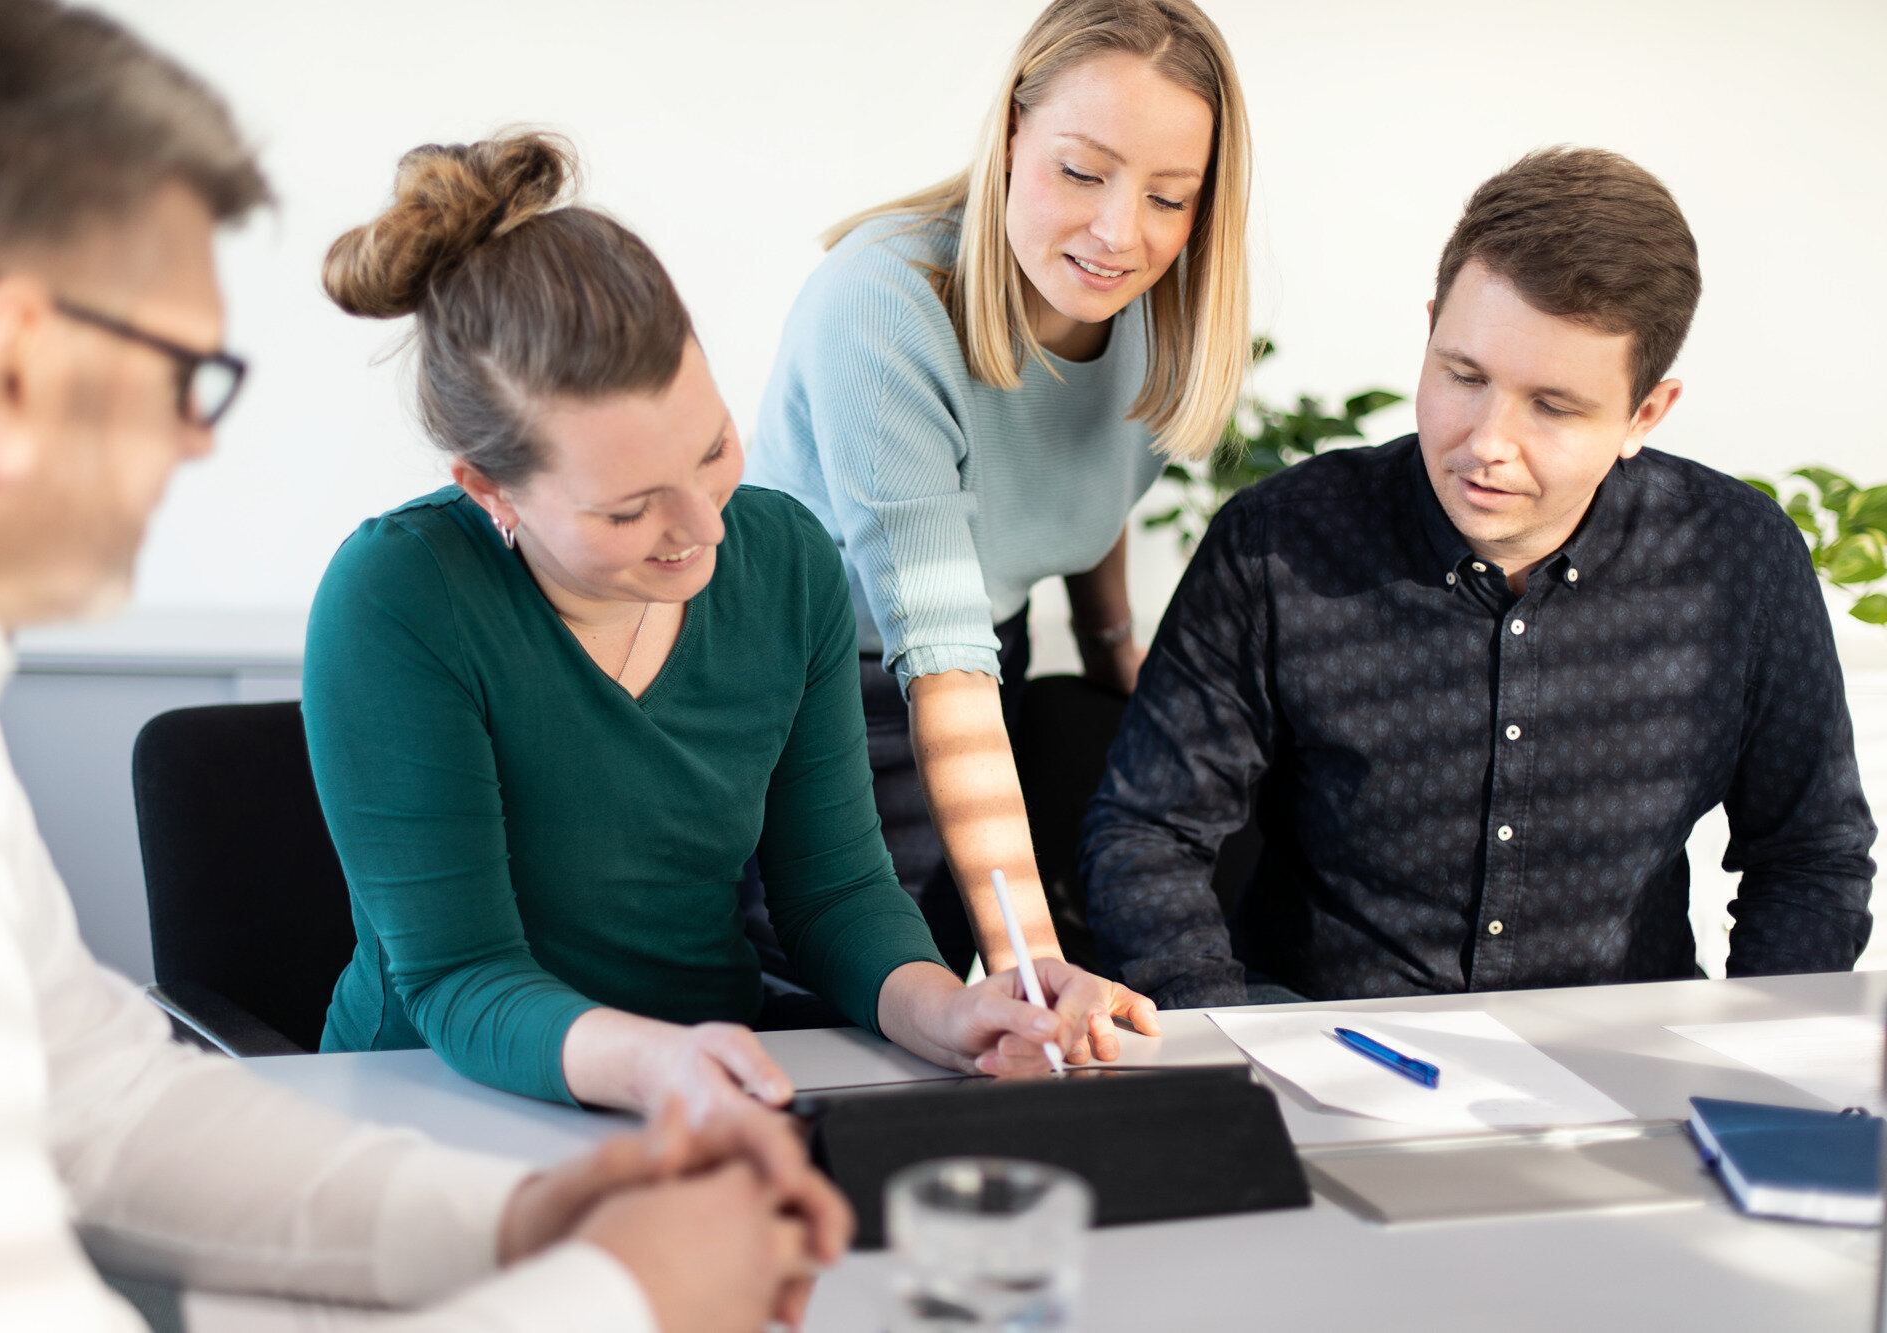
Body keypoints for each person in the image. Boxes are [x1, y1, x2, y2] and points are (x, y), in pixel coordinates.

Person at [0, 4, 849, 1331]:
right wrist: (624, 1293)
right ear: (5, 370)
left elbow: (103, 1101)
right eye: (190, 375)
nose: (200, 445)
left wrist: (521, 1221)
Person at [305, 130, 1130, 1120]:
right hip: (431, 1102)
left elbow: (833, 894)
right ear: (490, 492)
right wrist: (656, 1064)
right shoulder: (399, 595)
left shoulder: (781, 558)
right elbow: (460, 976)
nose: (702, 530)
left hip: (713, 1085)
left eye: (712, 449)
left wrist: (949, 1011)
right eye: (626, 507)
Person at [1081, 146, 1878, 1008]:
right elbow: (1146, 834)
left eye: (1553, 406)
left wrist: (1746, 1062)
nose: (1486, 442)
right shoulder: (1278, 541)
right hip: (1317, 1046)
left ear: (1644, 413)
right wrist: (1235, 1048)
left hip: (1625, 1055)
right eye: (1463, 375)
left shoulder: (1739, 562)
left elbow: (1811, 856)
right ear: (1430, 331)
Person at [743, 0, 1250, 1002]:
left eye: (1167, 195)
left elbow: (1086, 477)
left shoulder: (1161, 306)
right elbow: (937, 655)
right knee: (819, 1008)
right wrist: (1030, 964)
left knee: (932, 996)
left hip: (984, 665)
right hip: (811, 687)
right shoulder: (883, 305)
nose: (1118, 232)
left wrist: (1110, 646)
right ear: (1012, 133)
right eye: (1080, 170)